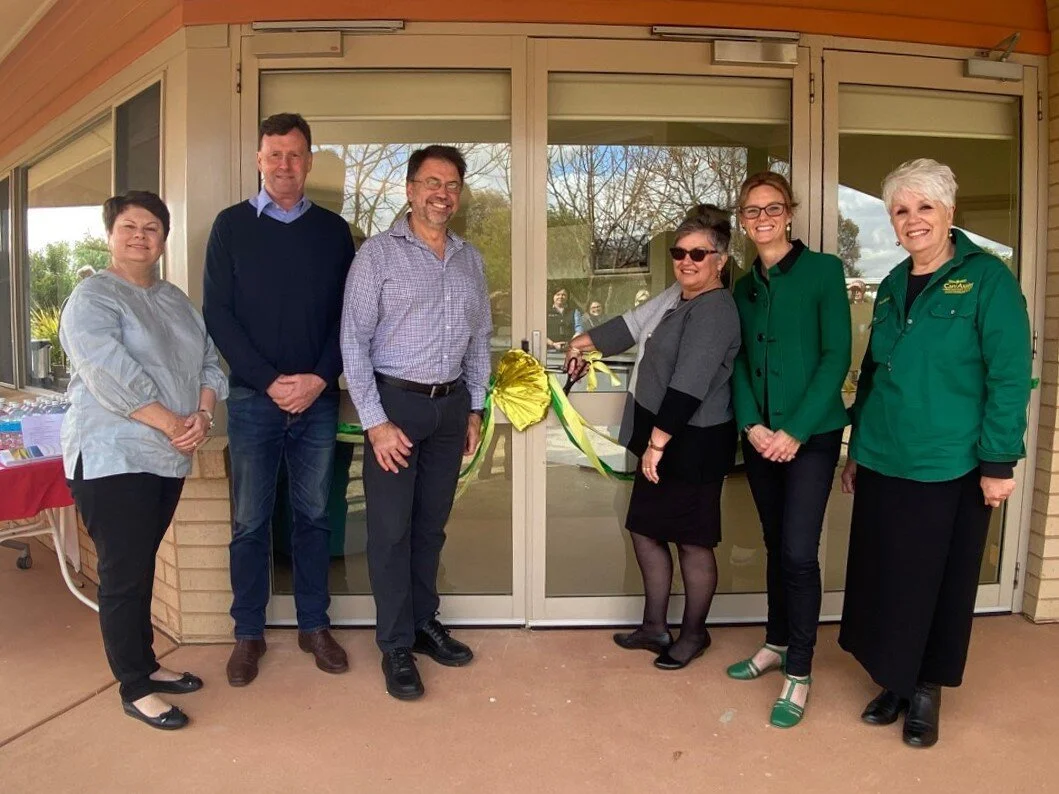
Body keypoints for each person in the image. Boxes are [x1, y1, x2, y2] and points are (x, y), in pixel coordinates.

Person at [839, 158, 1031, 748]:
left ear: (949, 213)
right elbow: (874, 372)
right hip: (884, 457)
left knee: (939, 581)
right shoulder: (896, 282)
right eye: (901, 209)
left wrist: (999, 464)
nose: (912, 219)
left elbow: (1009, 375)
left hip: (951, 463)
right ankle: (894, 680)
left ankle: (926, 690)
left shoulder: (988, 280)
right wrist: (856, 448)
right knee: (887, 576)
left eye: (925, 207)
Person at [60, 191, 228, 730]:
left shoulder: (175, 298)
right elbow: (108, 373)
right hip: (114, 456)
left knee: (139, 565)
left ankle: (147, 665)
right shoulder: (93, 297)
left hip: (167, 455)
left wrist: (202, 416)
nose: (140, 235)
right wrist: (175, 424)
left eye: (151, 227)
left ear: (163, 239)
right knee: (123, 574)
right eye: (129, 226)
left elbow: (209, 360)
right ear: (111, 235)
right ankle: (134, 686)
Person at [203, 112, 355, 687]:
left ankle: (315, 625)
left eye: (295, 155)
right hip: (251, 399)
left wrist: (318, 378)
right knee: (249, 521)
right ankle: (248, 634)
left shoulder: (333, 232)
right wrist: (268, 381)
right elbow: (219, 315)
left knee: (314, 517)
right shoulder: (230, 227)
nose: (284, 165)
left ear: (308, 161)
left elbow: (350, 318)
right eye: (274, 154)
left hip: (317, 399)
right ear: (259, 159)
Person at [341, 145, 492, 700]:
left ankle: (425, 622)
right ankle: (395, 644)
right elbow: (352, 342)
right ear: (409, 189)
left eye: (452, 184)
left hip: (449, 408)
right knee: (390, 530)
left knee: (431, 526)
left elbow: (479, 341)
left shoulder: (470, 259)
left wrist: (474, 406)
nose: (442, 193)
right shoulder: (378, 256)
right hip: (396, 407)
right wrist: (375, 423)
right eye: (431, 182)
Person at [564, 207, 740, 670]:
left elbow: (690, 383)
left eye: (698, 253)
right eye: (679, 252)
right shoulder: (676, 298)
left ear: (720, 260)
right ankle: (654, 626)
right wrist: (580, 344)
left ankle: (694, 634)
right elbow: (631, 325)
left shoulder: (716, 309)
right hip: (662, 441)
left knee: (693, 542)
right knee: (646, 530)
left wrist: (658, 444)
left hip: (693, 441)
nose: (686, 260)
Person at [726, 172, 851, 728]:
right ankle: (775, 642)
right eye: (751, 211)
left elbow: (836, 356)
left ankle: (799, 669)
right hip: (760, 439)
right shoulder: (742, 287)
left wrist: (795, 431)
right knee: (776, 544)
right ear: (742, 219)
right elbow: (737, 365)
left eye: (772, 208)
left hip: (812, 436)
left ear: (791, 213)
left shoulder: (824, 271)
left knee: (800, 552)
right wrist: (751, 425)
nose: (762, 219)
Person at [848, 279, 873, 387]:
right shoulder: (847, 309)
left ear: (863, 291)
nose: (856, 293)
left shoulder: (870, 308)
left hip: (866, 349)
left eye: (858, 290)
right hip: (852, 349)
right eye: (853, 291)